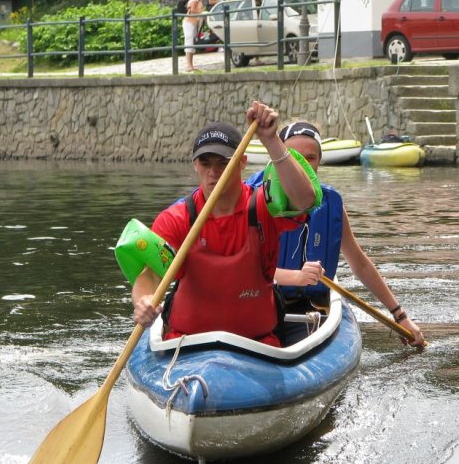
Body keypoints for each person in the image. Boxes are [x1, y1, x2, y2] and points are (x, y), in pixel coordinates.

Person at [130, 101, 321, 346]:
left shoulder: (264, 206)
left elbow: (306, 200)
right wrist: (144, 301)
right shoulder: (177, 218)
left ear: (242, 163)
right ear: (195, 165)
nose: (214, 172)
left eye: (223, 162)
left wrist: (272, 140)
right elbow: (151, 274)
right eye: (206, 163)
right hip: (186, 344)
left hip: (257, 344)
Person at [262, 121, 426, 347]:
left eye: (310, 158)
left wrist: (400, 316)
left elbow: (360, 264)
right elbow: (244, 270)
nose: (301, 165)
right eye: (293, 156)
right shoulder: (256, 199)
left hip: (312, 310)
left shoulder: (331, 204)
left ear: (320, 161)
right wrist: (295, 277)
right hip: (264, 305)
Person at [182, 0, 207, 73]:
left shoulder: (197, 0)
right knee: (189, 43)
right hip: (189, 23)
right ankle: (189, 65)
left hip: (193, 23)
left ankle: (191, 65)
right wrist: (202, 13)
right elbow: (192, 10)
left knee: (192, 44)